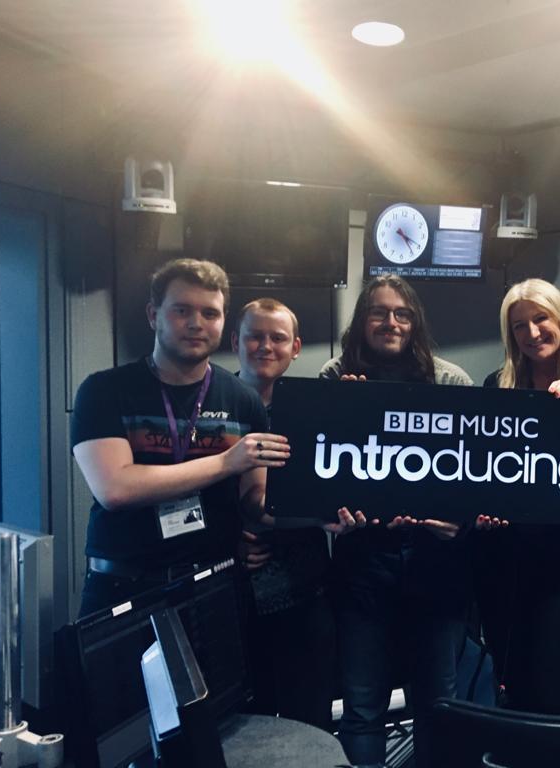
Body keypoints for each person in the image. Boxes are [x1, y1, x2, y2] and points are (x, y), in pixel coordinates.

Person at [71, 258, 289, 617]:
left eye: (210, 313)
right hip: (124, 587)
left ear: (222, 321)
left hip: (214, 586)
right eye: (182, 310)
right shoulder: (104, 391)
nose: (196, 323)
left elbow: (254, 500)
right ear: (153, 315)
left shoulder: (242, 400)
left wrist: (320, 515)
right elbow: (115, 489)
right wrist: (225, 462)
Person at [319, 274, 472, 768]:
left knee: (437, 705)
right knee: (363, 707)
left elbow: (474, 471)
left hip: (435, 563)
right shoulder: (334, 376)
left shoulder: (450, 380)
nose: (391, 322)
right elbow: (318, 467)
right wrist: (343, 410)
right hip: (364, 561)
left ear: (416, 321)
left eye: (402, 313)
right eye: (379, 312)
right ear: (362, 320)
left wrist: (460, 522)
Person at [476, 277, 560, 716]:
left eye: (541, 319)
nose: (532, 333)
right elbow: (484, 470)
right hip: (504, 560)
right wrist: (482, 512)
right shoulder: (497, 386)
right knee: (513, 684)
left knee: (555, 689)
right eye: (519, 326)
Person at [233, 297, 348, 730]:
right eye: (255, 336)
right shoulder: (212, 406)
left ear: (296, 347)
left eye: (277, 338)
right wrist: (228, 538)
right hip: (233, 596)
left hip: (306, 591)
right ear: (235, 341)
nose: (266, 346)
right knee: (243, 727)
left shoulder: (316, 408)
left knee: (310, 721)